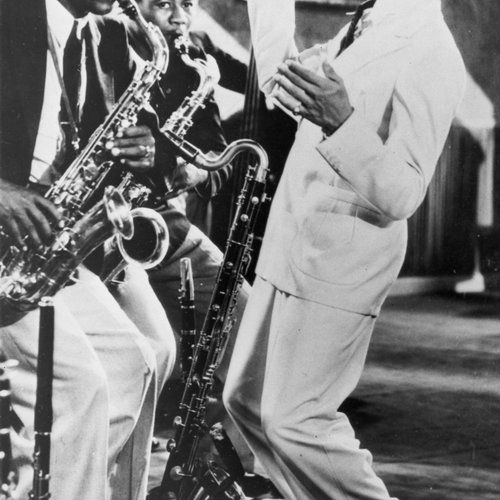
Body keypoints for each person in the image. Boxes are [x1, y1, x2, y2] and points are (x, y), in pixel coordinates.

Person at [223, 1, 466, 499]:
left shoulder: (433, 48)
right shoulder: (365, 24)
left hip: (343, 259)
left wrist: (342, 121)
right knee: (244, 400)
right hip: (292, 241)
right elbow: (284, 88)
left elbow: (404, 192)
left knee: (296, 423)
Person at [0, 0, 176, 498]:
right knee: (78, 384)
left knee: (132, 364)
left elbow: (139, 142)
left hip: (43, 244)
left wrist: (149, 151)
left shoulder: (104, 36)